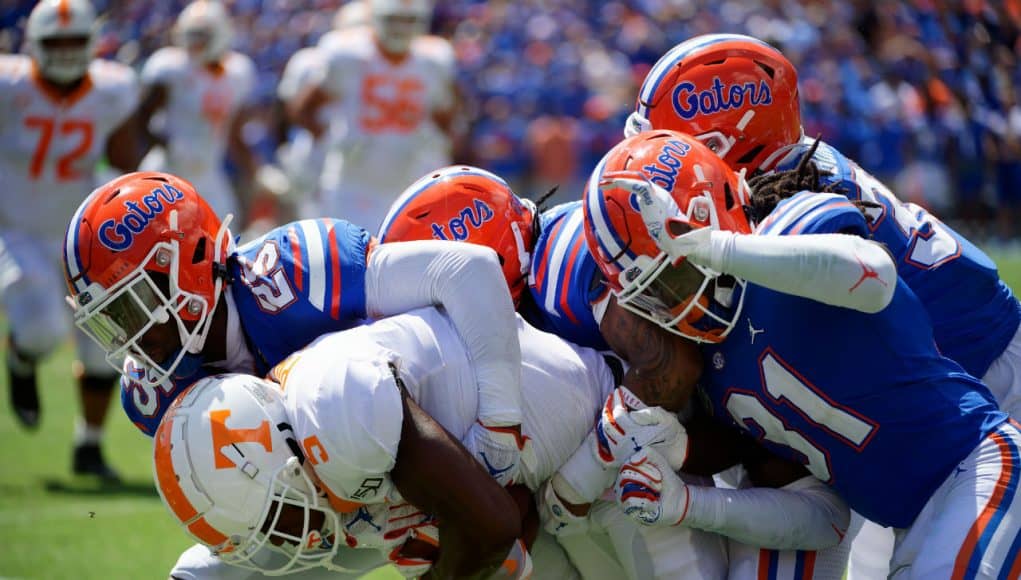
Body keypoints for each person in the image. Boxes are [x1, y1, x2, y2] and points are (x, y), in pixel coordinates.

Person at [625, 32, 1021, 579]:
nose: (657, 165)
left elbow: (862, 279)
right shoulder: (783, 179)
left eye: (673, 145)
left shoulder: (794, 209)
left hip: (982, 379)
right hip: (918, 412)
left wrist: (718, 247)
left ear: (723, 146)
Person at [376, 165, 855, 579]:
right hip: (707, 451)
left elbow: (674, 368)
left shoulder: (564, 270)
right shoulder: (537, 303)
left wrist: (578, 477)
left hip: (783, 463)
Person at [156, 305, 851, 579]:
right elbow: (504, 515)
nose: (292, 536)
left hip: (613, 457)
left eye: (278, 515)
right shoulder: (306, 443)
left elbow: (487, 524)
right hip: (554, 500)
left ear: (276, 450)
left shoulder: (332, 403)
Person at [62, 171, 531, 489]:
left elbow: (465, 269)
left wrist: (499, 428)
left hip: (462, 421)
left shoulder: (290, 276)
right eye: (111, 318)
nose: (129, 336)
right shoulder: (153, 392)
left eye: (131, 306)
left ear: (186, 265)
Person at [0, 0, 140, 480]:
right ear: (33, 44)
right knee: (41, 331)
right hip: (13, 227)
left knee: (109, 341)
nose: (64, 52)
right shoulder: (10, 85)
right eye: (54, 43)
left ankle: (90, 445)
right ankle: (21, 361)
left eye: (73, 41)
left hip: (79, 236)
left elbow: (125, 158)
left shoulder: (111, 89)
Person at [291, 0, 459, 231]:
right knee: (348, 257)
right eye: (393, 20)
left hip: (407, 179)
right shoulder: (347, 54)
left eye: (409, 21)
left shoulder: (433, 60)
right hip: (352, 181)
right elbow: (304, 109)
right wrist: (330, 144)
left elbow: (447, 120)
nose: (400, 28)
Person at [135, 1, 258, 224]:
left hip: (210, 174)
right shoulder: (171, 67)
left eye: (202, 35)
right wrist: (168, 145)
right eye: (191, 35)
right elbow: (139, 118)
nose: (195, 42)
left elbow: (234, 133)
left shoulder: (238, 72)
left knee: (224, 240)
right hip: (168, 171)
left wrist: (255, 171)